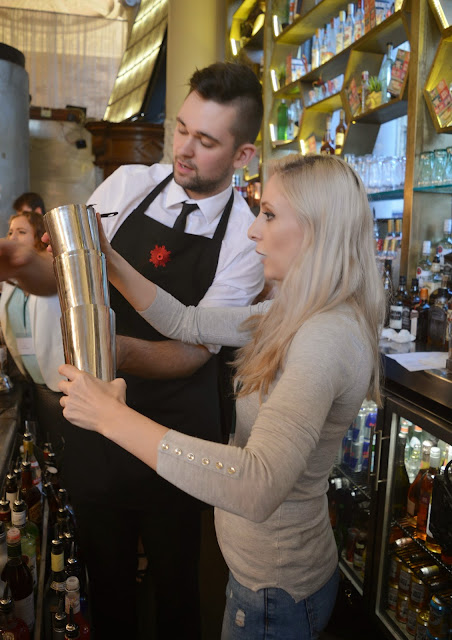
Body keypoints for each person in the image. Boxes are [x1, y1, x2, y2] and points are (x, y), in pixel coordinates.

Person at [58, 153, 386, 640]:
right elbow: (186, 321)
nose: (253, 231)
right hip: (261, 578)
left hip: (274, 592)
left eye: (269, 215)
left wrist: (111, 417)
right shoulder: (292, 313)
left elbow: (257, 483)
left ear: (318, 229)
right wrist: (109, 260)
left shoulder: (324, 338)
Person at [52, 61, 264, 640]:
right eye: (181, 129)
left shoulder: (246, 240)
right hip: (97, 428)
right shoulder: (128, 185)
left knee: (177, 592)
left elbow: (193, 350)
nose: (184, 150)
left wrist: (106, 352)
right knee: (105, 589)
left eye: (206, 141)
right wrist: (31, 264)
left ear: (243, 155)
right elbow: (74, 273)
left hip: (178, 439)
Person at [0, 211, 65, 446]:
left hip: (61, 381)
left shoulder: (54, 273)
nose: (13, 237)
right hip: (30, 381)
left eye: (21, 232)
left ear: (38, 236)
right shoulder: (10, 282)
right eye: (10, 232)